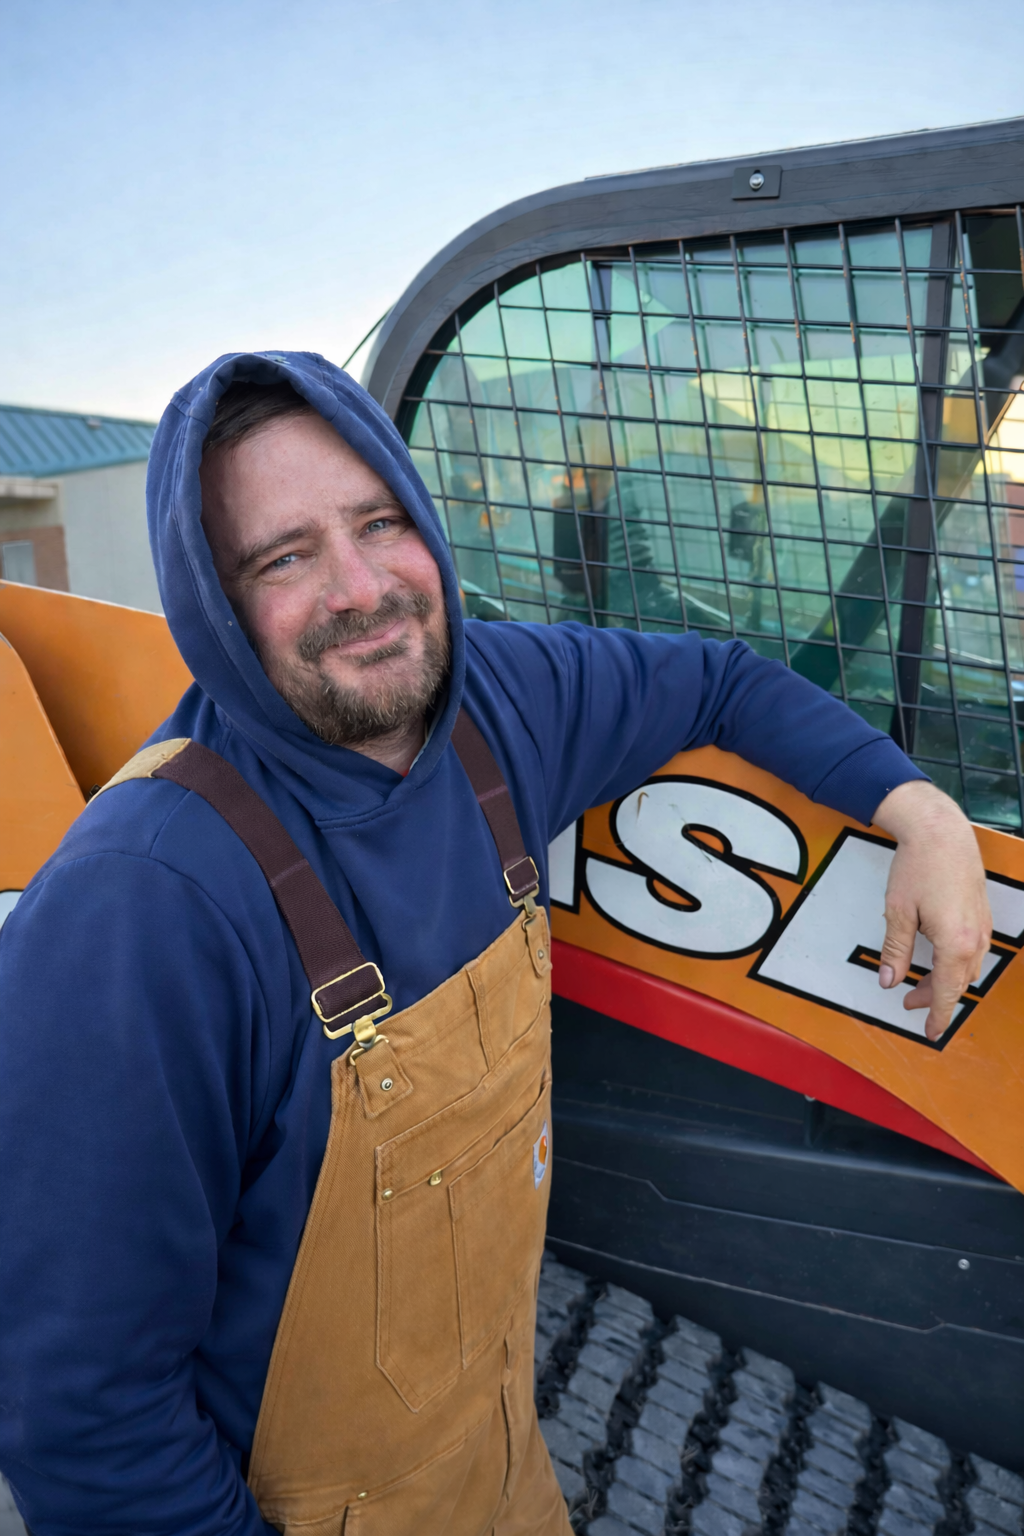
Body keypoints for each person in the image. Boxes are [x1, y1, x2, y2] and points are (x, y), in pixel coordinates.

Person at [0, 352, 991, 1535]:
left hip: (499, 1470)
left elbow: (722, 680)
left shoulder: (499, 702)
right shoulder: (141, 907)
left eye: (378, 522)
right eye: (284, 557)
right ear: (210, 602)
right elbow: (84, 1413)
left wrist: (918, 809)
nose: (362, 588)